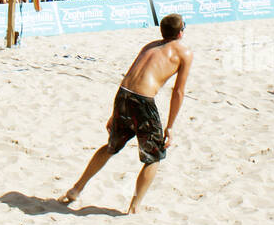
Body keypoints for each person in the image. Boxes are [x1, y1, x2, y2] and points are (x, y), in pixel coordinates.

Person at [59, 13, 193, 214]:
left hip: (123, 94)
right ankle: (134, 207)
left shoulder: (149, 46)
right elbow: (179, 92)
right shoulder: (184, 53)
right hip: (142, 100)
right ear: (181, 32)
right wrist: (170, 126)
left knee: (111, 147)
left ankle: (76, 188)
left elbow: (130, 75)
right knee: (154, 156)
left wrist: (115, 113)